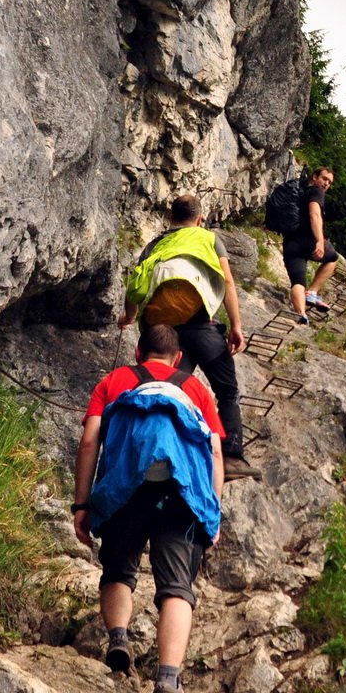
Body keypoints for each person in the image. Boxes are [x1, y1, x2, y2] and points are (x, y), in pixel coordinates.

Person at [72, 324, 223, 693]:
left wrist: (82, 504)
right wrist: (212, 511)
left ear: (139, 352)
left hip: (127, 488)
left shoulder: (115, 380)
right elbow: (216, 453)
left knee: (119, 570)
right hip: (181, 495)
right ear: (177, 357)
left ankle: (119, 638)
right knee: (176, 587)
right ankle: (168, 682)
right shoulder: (195, 389)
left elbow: (90, 440)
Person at [119, 194, 259, 479]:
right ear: (199, 218)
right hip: (201, 326)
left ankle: (158, 455)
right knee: (227, 391)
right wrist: (235, 325)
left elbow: (136, 284)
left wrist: (130, 317)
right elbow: (228, 279)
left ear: (171, 219)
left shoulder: (156, 244)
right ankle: (231, 456)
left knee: (167, 392)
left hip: (164, 335)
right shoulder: (208, 238)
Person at [283, 166, 339, 324]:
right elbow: (314, 214)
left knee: (298, 282)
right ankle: (312, 292)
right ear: (314, 177)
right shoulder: (316, 192)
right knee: (333, 258)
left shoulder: (297, 192)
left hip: (290, 243)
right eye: (324, 179)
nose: (326, 184)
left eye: (329, 182)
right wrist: (320, 241)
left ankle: (301, 315)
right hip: (308, 241)